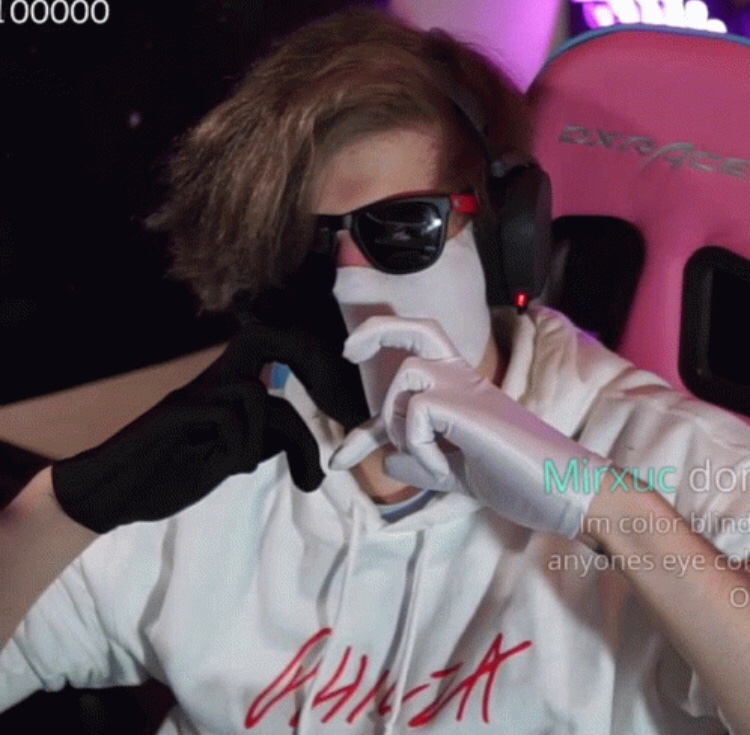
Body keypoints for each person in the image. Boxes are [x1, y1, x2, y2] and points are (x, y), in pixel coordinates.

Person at [1, 9, 749, 734]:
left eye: (400, 228)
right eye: (309, 248)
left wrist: (605, 505)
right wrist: (53, 510)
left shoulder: (687, 461)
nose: (349, 284)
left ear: (506, 235)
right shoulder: (215, 467)